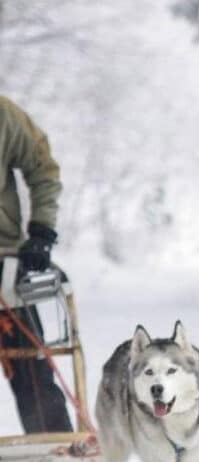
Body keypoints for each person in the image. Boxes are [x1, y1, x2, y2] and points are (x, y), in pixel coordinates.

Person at [0, 95, 72, 434]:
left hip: (2, 260)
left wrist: (42, 230)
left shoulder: (3, 115)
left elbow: (41, 164)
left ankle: (58, 454)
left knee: (28, 363)